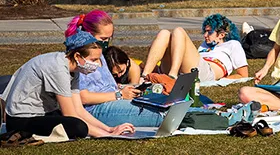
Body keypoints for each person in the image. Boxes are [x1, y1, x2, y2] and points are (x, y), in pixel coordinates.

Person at [1, 31, 136, 138]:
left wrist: (108, 128)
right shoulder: (58, 68)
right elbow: (70, 113)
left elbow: (79, 109)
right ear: (77, 56)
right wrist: (107, 135)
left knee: (78, 123)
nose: (96, 64)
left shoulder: (75, 70)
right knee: (78, 127)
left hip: (43, 113)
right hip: (22, 118)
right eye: (93, 60)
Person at [64, 10, 163, 127]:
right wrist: (119, 94)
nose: (106, 43)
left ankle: (185, 112)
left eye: (109, 39)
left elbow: (108, 85)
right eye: (103, 39)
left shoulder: (99, 54)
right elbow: (83, 97)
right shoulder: (80, 59)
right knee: (158, 114)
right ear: (88, 34)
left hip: (114, 101)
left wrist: (126, 88)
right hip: (97, 109)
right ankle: (186, 117)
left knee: (162, 104)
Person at [141, 14, 248, 82]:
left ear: (221, 35)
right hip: (187, 69)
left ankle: (172, 77)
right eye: (205, 31)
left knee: (179, 31)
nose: (205, 35)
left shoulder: (233, 44)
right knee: (164, 33)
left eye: (209, 32)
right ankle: (144, 77)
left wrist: (222, 79)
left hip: (207, 71)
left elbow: (243, 74)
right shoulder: (204, 45)